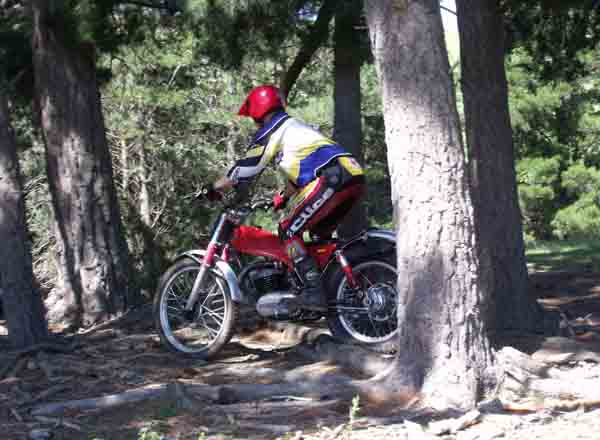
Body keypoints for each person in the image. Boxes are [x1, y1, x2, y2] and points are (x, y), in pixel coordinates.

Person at [204, 85, 365, 312]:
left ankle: (313, 293)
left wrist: (214, 187)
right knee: (317, 237)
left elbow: (247, 167)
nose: (254, 123)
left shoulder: (274, 128)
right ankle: (331, 288)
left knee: (289, 230)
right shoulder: (295, 128)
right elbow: (304, 171)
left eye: (253, 117)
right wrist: (282, 197)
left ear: (259, 110)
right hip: (352, 176)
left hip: (333, 178)